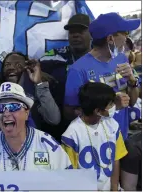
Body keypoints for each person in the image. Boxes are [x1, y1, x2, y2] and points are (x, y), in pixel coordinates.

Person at [64, 12, 141, 140]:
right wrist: (110, 108)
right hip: (97, 144)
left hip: (122, 137)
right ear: (110, 38)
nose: (127, 38)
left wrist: (132, 82)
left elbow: (132, 102)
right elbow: (69, 112)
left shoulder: (122, 59)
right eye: (125, 33)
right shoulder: (77, 69)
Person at [0, 82, 72, 171]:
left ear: (26, 113)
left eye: (13, 106)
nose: (6, 113)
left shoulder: (48, 146)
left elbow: (67, 183)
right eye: (0, 108)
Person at [0, 52, 60, 141]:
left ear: (27, 69)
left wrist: (39, 83)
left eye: (18, 65)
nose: (11, 68)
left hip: (33, 148)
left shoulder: (37, 92)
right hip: (0, 150)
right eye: (7, 65)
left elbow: (54, 119)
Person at [62, 82, 128, 191]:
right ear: (98, 111)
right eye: (110, 104)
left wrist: (114, 188)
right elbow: (70, 174)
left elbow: (115, 159)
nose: (113, 107)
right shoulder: (71, 135)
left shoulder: (112, 124)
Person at [39, 14, 92, 140]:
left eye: (81, 31)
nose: (75, 35)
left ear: (92, 33)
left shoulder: (100, 58)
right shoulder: (55, 55)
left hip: (93, 124)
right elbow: (32, 68)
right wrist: (40, 73)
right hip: (59, 127)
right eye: (72, 32)